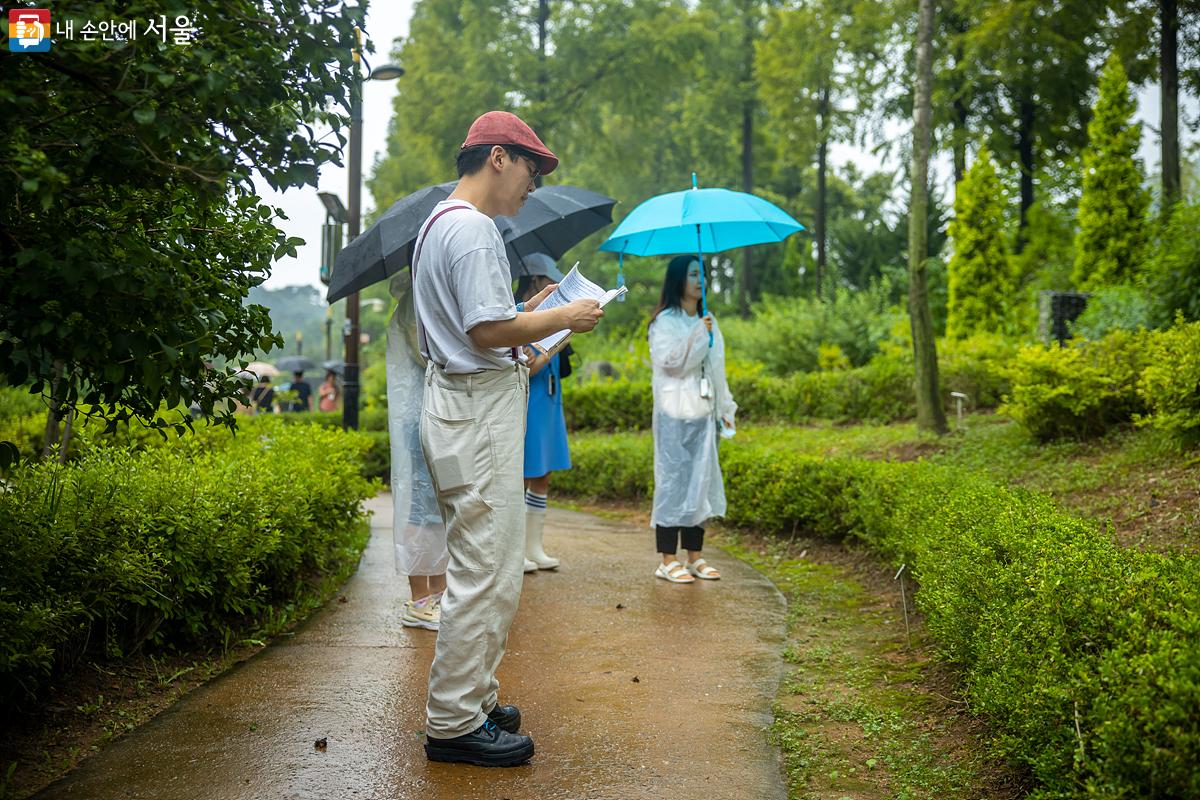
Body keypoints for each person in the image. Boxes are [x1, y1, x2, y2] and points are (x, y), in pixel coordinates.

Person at [411, 110, 603, 767]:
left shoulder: (445, 222)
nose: (534, 182)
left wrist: (528, 315)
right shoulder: (471, 232)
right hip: (477, 410)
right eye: (532, 167)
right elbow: (484, 334)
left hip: (461, 404)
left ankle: (475, 697)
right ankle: (454, 722)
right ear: (498, 157)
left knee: (485, 562)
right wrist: (564, 316)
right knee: (486, 573)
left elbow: (483, 324)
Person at [647, 255, 737, 584]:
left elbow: (716, 368)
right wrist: (698, 333)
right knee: (673, 481)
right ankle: (667, 559)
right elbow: (670, 364)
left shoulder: (708, 319)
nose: (700, 281)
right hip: (674, 415)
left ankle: (694, 556)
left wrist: (725, 408)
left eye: (703, 274)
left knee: (701, 480)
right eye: (693, 275)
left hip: (703, 413)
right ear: (678, 280)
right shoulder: (663, 322)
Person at [386, 270, 448, 630]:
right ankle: (419, 600)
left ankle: (437, 595)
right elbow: (425, 352)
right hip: (419, 416)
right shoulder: (414, 301)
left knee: (435, 506)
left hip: (430, 412)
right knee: (420, 508)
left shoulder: (423, 296)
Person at [515, 253, 574, 573]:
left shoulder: (552, 314)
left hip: (551, 398)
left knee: (544, 471)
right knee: (526, 469)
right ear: (535, 280)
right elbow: (529, 367)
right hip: (530, 399)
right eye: (548, 279)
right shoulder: (516, 314)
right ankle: (518, 549)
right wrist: (558, 342)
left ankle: (533, 546)